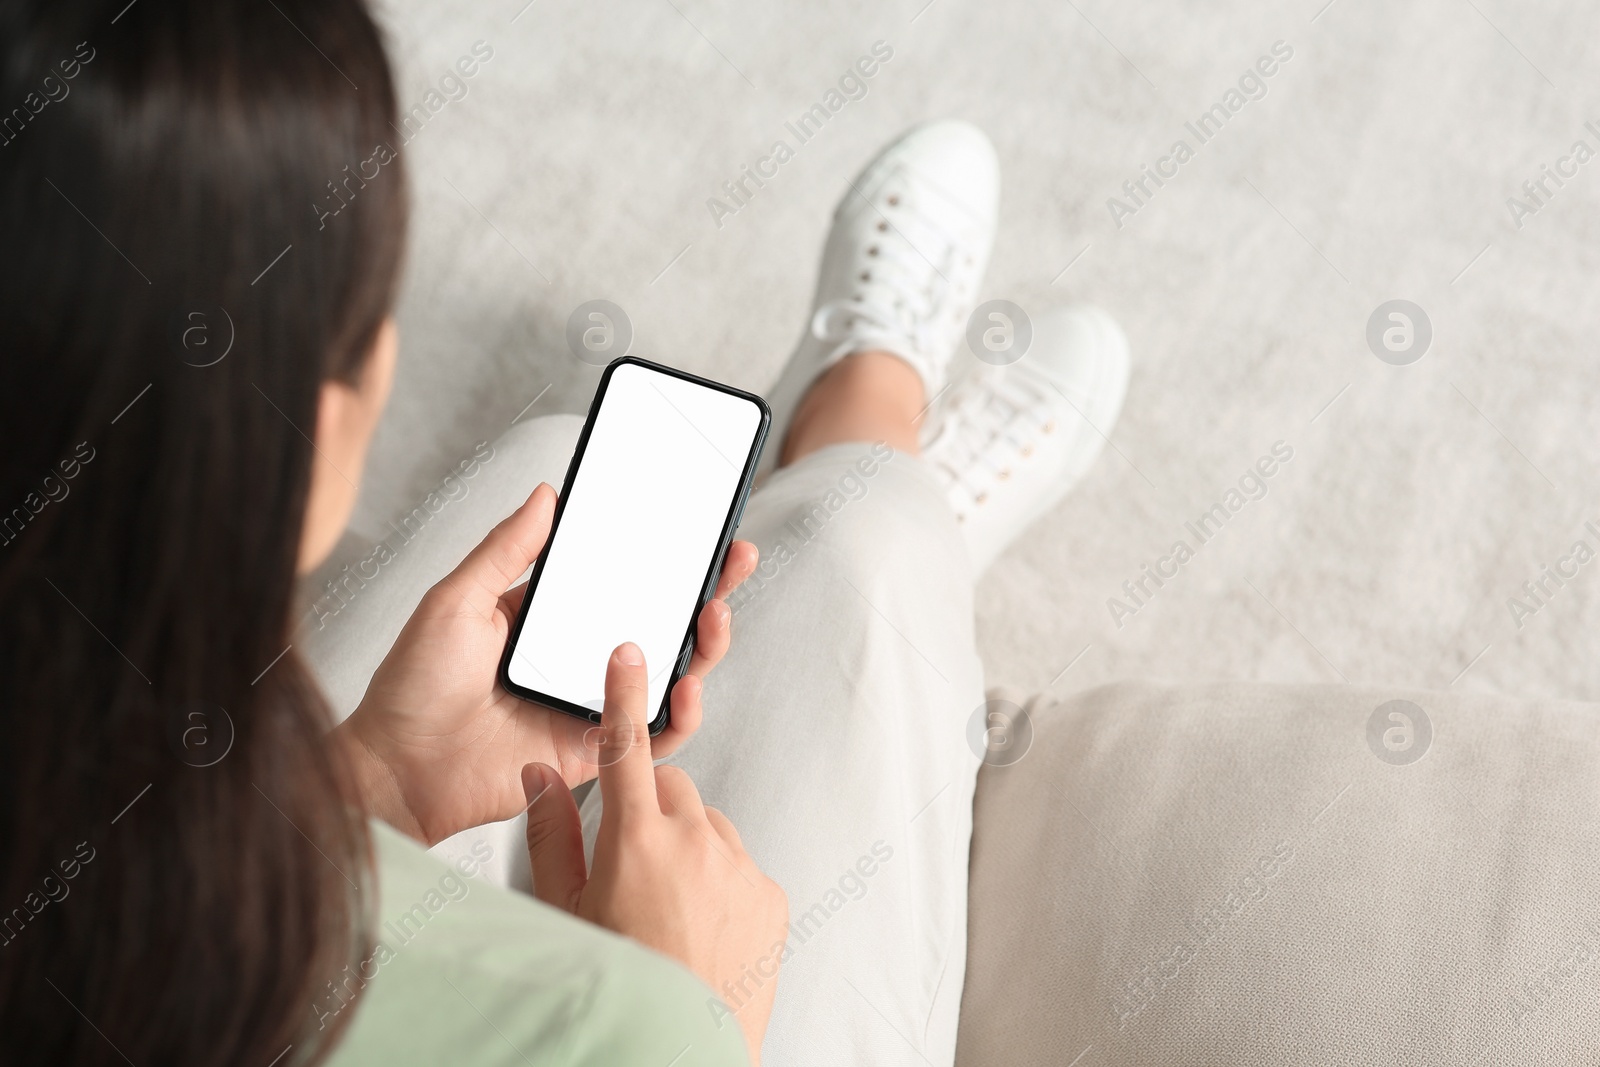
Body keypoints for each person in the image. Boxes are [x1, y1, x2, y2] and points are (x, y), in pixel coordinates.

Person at [1, 5, 1132, 1067]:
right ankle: (875, 452)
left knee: (559, 471)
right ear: (317, 433)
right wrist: (691, 1013)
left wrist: (380, 781)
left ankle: (863, 497)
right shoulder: (623, 1025)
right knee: (866, 548)